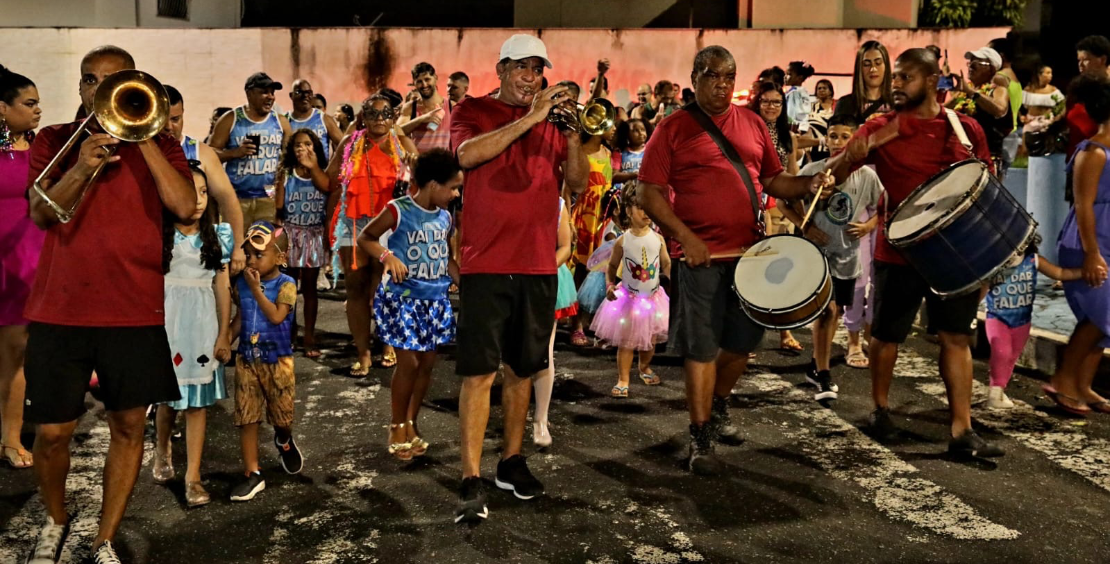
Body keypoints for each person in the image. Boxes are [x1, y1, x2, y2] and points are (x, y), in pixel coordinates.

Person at [22, 45, 197, 564]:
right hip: (60, 309)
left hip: (133, 310)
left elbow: (186, 207)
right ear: (80, 89)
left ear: (135, 83)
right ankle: (55, 520)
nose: (99, 90)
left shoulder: (162, 144)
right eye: (89, 81)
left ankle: (103, 540)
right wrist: (81, 165)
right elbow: (40, 212)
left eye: (112, 80)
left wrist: (140, 138)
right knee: (52, 434)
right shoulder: (56, 139)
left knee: (128, 426)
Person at [637, 45, 832, 474]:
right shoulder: (672, 128)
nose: (722, 86)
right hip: (699, 258)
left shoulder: (753, 123)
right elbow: (647, 192)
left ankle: (718, 402)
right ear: (694, 78)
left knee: (743, 344)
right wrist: (685, 238)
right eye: (712, 77)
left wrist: (808, 183)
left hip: (748, 255)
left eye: (729, 77)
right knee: (702, 349)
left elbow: (773, 180)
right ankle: (700, 433)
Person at [827, 48, 1002, 458]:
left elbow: (986, 186)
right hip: (899, 252)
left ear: (931, 79)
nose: (896, 85)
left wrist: (986, 263)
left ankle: (962, 430)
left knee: (956, 338)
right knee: (887, 337)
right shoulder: (880, 126)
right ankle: (880, 409)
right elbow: (835, 174)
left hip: (954, 256)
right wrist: (855, 151)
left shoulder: (966, 129)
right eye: (895, 78)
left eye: (905, 77)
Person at [449, 33, 588, 523]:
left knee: (523, 369)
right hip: (486, 262)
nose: (533, 77)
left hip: (537, 263)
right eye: (524, 68)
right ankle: (470, 475)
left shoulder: (554, 122)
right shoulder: (471, 109)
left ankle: (510, 461)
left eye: (539, 69)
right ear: (502, 70)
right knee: (478, 373)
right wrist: (531, 119)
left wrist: (571, 138)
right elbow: (465, 156)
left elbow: (575, 183)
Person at [357, 148, 461, 460]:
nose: (456, 194)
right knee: (409, 363)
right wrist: (387, 256)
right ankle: (396, 423)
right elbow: (367, 237)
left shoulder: (445, 217)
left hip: (435, 300)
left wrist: (464, 281)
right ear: (432, 184)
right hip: (403, 301)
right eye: (453, 187)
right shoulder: (398, 209)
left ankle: (413, 421)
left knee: (427, 364)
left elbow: (447, 257)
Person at [778, 114, 883, 401]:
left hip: (847, 257)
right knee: (826, 310)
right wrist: (806, 226)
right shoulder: (813, 169)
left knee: (835, 312)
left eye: (844, 136)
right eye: (833, 135)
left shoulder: (867, 176)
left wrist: (867, 226)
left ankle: (816, 362)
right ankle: (824, 375)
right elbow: (783, 201)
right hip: (817, 255)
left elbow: (882, 208)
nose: (837, 142)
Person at [152, 163, 234, 508]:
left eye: (203, 193)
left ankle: (193, 476)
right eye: (190, 193)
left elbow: (222, 284)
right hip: (168, 323)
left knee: (198, 403)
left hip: (202, 325)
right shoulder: (159, 232)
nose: (198, 201)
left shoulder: (219, 235)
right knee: (168, 401)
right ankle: (162, 446)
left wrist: (224, 333)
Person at [326, 95, 418, 376]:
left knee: (385, 289)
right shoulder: (350, 142)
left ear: (393, 117)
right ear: (362, 116)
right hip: (352, 224)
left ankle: (387, 345)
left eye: (385, 114)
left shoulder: (401, 144)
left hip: (388, 227)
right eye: (373, 114)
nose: (379, 119)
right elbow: (330, 180)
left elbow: (422, 179)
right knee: (355, 289)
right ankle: (363, 353)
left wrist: (413, 165)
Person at [1046, 75, 1110, 416]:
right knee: (1100, 317)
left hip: (1107, 241)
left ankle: (1083, 385)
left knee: (1101, 318)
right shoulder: (1095, 151)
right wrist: (1092, 254)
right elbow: (1084, 206)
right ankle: (1063, 380)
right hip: (1090, 242)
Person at [230, 221, 304, 501]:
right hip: (247, 359)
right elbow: (241, 318)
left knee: (281, 417)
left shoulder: (287, 285)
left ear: (280, 257)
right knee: (247, 416)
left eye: (258, 255)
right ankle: (253, 473)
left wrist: (256, 288)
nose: (251, 260)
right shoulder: (242, 284)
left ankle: (283, 439)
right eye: (248, 254)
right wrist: (225, 340)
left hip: (278, 361)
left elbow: (275, 316)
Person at [0, 65, 41, 471]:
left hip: (29, 261)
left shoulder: (42, 147)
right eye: (28, 103)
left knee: (17, 351)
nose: (37, 110)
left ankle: (11, 439)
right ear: (2, 108)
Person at [593, 183, 670, 397]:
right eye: (640, 208)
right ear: (628, 210)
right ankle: (623, 378)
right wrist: (609, 285)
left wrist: (675, 279)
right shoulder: (622, 240)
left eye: (649, 208)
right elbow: (610, 266)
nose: (646, 213)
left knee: (650, 340)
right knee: (627, 343)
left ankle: (644, 367)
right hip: (629, 300)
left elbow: (666, 264)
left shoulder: (658, 238)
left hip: (653, 299)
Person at [985, 240, 1083, 409]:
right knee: (1001, 352)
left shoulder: (1033, 259)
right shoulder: (994, 261)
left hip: (1022, 321)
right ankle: (994, 392)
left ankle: (1000, 389)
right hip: (997, 317)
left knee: (1011, 357)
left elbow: (1059, 272)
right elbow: (982, 287)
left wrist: (1082, 272)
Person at [162, 85, 246, 274]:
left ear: (183, 114)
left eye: (175, 119)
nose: (169, 126)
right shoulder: (142, 150)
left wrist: (239, 246)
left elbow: (227, 199)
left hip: (195, 251)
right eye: (163, 120)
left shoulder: (202, 152)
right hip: (154, 247)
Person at [750, 82, 804, 353]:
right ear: (757, 103)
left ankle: (785, 331)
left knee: (782, 270)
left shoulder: (788, 136)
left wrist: (800, 212)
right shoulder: (746, 131)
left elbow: (792, 175)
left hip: (780, 207)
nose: (771, 106)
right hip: (751, 205)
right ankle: (746, 336)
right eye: (766, 101)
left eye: (776, 102)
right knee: (753, 269)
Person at [209, 72, 293, 227]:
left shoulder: (281, 122)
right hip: (236, 198)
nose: (270, 97)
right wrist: (235, 153)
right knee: (236, 247)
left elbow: (289, 161)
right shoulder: (231, 119)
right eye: (264, 92)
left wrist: (281, 198)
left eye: (272, 93)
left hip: (268, 198)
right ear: (249, 93)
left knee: (265, 248)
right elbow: (209, 154)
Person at [273, 129, 330, 358]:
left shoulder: (322, 173)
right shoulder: (286, 175)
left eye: (307, 144)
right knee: (289, 288)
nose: (302, 148)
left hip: (314, 236)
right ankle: (290, 332)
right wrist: (278, 241)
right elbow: (278, 212)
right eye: (297, 145)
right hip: (291, 235)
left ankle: (309, 335)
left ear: (315, 147)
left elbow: (328, 193)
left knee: (310, 289)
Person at [533, 196, 577, 448]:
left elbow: (564, 247)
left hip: (544, 279)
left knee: (544, 352)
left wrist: (540, 269)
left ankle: (541, 419)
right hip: (509, 276)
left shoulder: (557, 203)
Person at [568, 118, 615, 348]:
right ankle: (575, 324)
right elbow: (569, 188)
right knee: (579, 270)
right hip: (583, 217)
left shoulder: (607, 152)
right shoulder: (578, 152)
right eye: (610, 124)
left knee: (598, 272)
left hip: (603, 218)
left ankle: (589, 321)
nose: (614, 129)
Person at [1022, 64, 1070, 263]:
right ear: (1039, 74)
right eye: (1046, 72)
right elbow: (1020, 107)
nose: (1049, 76)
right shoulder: (1029, 90)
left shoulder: (1055, 93)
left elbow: (1061, 108)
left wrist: (1052, 119)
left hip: (1049, 124)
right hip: (1031, 123)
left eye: (1052, 72)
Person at [947, 47, 1013, 177]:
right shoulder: (964, 93)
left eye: (976, 63)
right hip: (962, 158)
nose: (971, 66)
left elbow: (999, 110)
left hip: (987, 160)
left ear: (991, 69)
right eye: (970, 62)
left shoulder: (997, 90)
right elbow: (943, 111)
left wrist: (972, 93)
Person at [1067, 36, 1110, 161]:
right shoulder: (1078, 87)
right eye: (1078, 60)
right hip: (1076, 157)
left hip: (1101, 160)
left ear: (1102, 59)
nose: (1080, 65)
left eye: (1086, 60)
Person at [399, 62, 454, 151]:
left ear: (435, 78)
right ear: (414, 83)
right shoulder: (410, 108)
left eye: (427, 79)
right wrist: (422, 119)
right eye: (419, 81)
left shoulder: (452, 106)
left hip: (445, 164)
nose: (424, 85)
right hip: (420, 164)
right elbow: (395, 133)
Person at [834, 40, 893, 123]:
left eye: (878, 63)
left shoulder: (899, 103)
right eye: (866, 64)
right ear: (859, 68)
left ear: (886, 66)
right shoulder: (845, 104)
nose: (873, 69)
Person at [286, 79, 343, 161]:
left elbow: (345, 146)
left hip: (320, 172)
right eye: (299, 92)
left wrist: (333, 168)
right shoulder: (285, 120)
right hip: (293, 172)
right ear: (291, 95)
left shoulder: (324, 119)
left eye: (308, 93)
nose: (304, 96)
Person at [988, 37, 1024, 170]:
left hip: (1002, 136)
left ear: (1000, 56)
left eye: (989, 54)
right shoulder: (1014, 76)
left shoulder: (999, 78)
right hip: (1012, 135)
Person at [612, 118, 650, 190]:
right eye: (635, 130)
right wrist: (634, 175)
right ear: (626, 134)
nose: (641, 133)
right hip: (623, 193)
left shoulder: (650, 151)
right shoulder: (619, 152)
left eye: (643, 129)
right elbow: (614, 176)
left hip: (644, 192)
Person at [808, 79, 836, 162]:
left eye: (824, 88)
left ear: (831, 91)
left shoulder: (837, 106)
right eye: (819, 88)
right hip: (814, 147)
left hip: (832, 146)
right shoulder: (810, 107)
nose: (821, 90)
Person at [784, 61, 816, 133]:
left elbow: (800, 112)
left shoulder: (798, 93)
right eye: (785, 73)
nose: (785, 77)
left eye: (789, 74)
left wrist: (802, 127)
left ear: (799, 78)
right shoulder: (792, 91)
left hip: (793, 127)